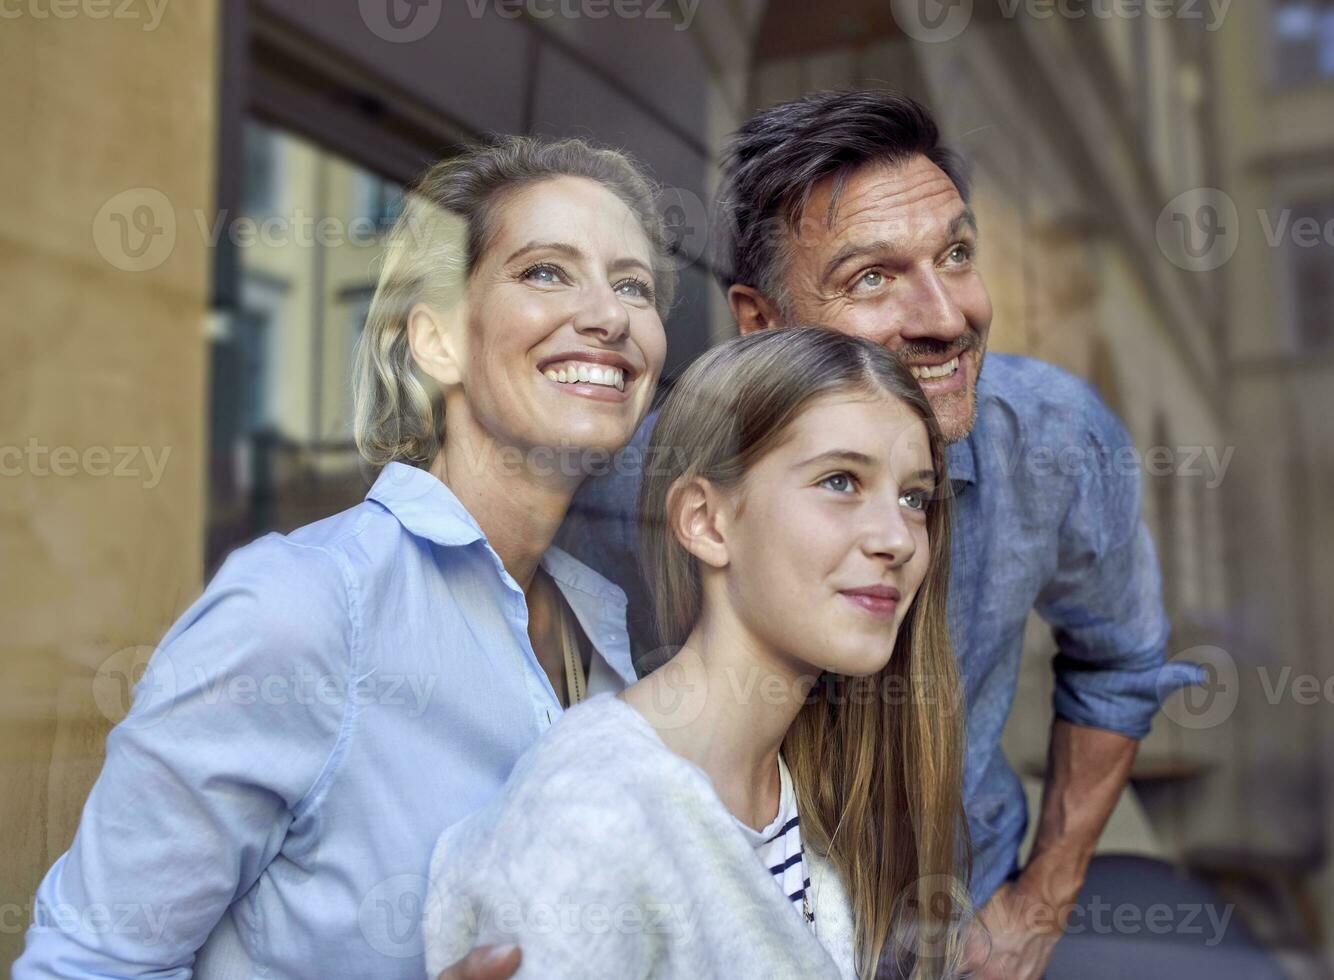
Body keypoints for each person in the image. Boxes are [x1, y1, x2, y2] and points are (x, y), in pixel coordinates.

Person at [556, 89, 1208, 979]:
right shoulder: (632, 488)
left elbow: (1121, 662)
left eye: (957, 254)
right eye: (873, 276)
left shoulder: (1054, 441)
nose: (948, 317)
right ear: (761, 324)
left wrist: (1042, 901)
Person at [16, 135, 671, 979]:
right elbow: (82, 968)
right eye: (545, 271)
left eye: (634, 285)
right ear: (436, 342)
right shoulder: (304, 607)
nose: (610, 315)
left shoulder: (607, 627)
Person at [425, 327, 974, 980]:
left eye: (914, 498)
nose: (898, 539)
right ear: (707, 522)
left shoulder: (803, 798)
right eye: (839, 480)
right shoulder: (593, 812)